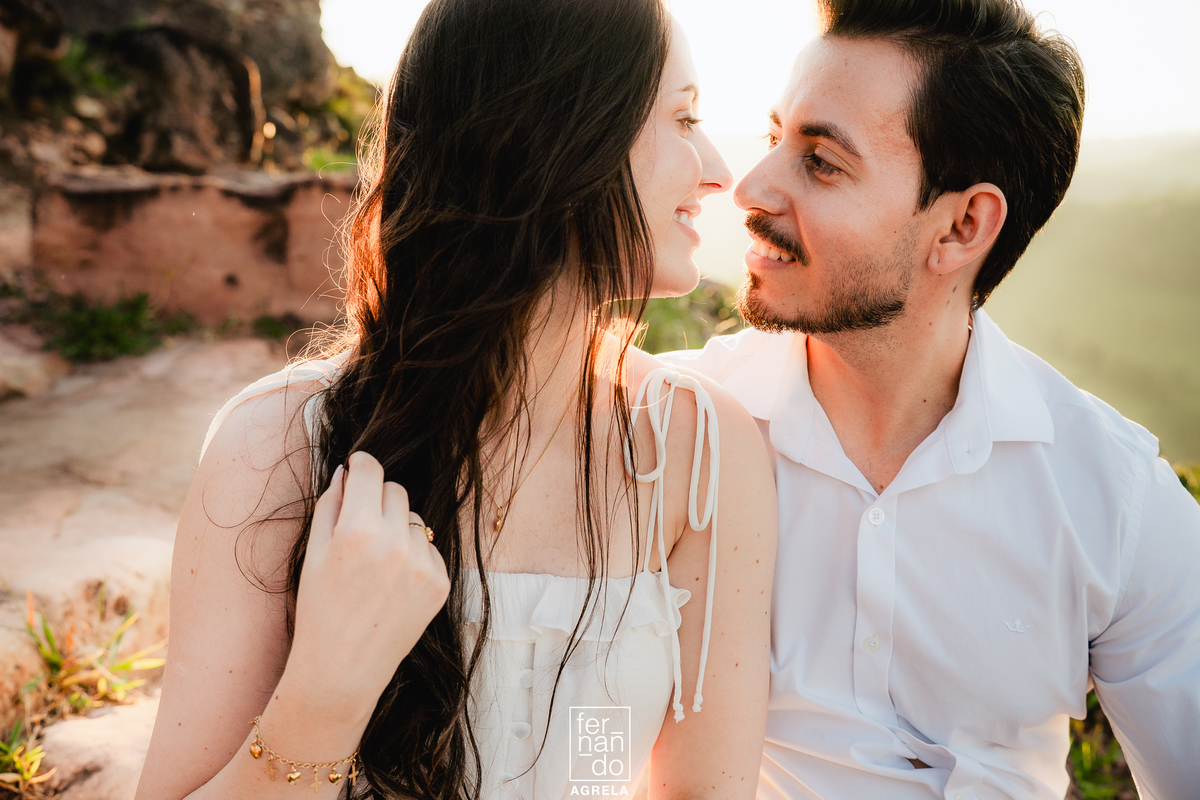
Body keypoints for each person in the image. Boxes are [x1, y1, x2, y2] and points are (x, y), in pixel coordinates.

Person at [133, 1, 777, 798]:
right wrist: (326, 691)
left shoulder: (703, 454)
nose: (718, 169)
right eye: (684, 119)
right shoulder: (277, 444)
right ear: (562, 138)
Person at [661, 0, 1200, 798]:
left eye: (821, 162)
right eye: (777, 138)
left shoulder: (1110, 495)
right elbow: (584, 734)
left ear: (960, 229)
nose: (749, 187)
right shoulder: (679, 430)